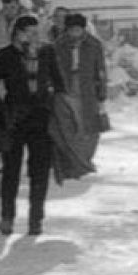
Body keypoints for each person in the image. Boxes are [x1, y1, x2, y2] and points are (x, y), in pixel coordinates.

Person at [0, 15, 58, 235]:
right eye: (28, 31)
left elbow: (60, 84)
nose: (33, 36)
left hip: (41, 117)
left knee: (39, 171)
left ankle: (36, 218)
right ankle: (7, 216)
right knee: (10, 170)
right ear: (16, 33)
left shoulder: (48, 53)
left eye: (36, 32)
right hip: (14, 118)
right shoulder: (4, 56)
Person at [50, 12, 108, 178]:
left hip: (87, 89)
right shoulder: (58, 45)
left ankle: (83, 161)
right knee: (67, 128)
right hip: (65, 88)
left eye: (78, 29)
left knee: (89, 128)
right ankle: (75, 163)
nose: (75, 33)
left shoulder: (94, 44)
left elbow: (101, 70)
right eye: (71, 29)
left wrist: (101, 92)